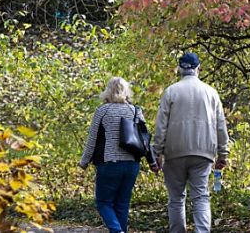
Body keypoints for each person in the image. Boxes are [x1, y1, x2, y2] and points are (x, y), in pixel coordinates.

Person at [154, 52, 230, 233]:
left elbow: (161, 125)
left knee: (176, 198)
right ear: (198, 69)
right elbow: (221, 125)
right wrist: (223, 153)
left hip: (174, 152)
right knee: (201, 197)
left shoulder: (171, 91)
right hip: (204, 152)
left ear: (180, 69)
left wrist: (156, 152)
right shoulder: (211, 92)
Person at [79, 77, 157, 233]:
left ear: (108, 91)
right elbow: (145, 139)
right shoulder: (135, 110)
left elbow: (92, 139)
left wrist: (84, 161)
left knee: (103, 202)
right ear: (126, 91)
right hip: (131, 164)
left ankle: (116, 231)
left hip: (110, 163)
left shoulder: (103, 110)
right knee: (122, 204)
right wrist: (152, 162)